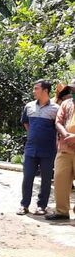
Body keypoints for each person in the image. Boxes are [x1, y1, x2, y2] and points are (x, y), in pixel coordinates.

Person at [16, 80, 59, 216]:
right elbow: (26, 123)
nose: (34, 91)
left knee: (46, 179)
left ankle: (42, 206)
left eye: (36, 88)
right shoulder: (29, 106)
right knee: (27, 177)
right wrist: (32, 135)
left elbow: (58, 128)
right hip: (31, 148)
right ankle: (24, 205)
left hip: (48, 149)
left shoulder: (56, 109)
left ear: (45, 90)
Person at [45, 79, 75, 220]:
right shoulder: (65, 103)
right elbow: (58, 121)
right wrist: (65, 134)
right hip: (64, 148)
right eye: (72, 88)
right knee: (60, 180)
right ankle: (62, 212)